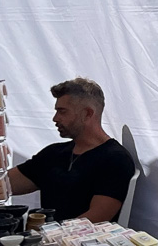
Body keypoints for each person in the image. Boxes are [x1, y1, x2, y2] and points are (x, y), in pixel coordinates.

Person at [8, 78, 135, 223]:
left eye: (62, 112)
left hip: (82, 242)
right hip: (49, 239)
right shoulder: (53, 153)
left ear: (87, 114)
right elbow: (4, 185)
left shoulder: (115, 159)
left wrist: (50, 236)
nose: (55, 118)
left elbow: (96, 218)